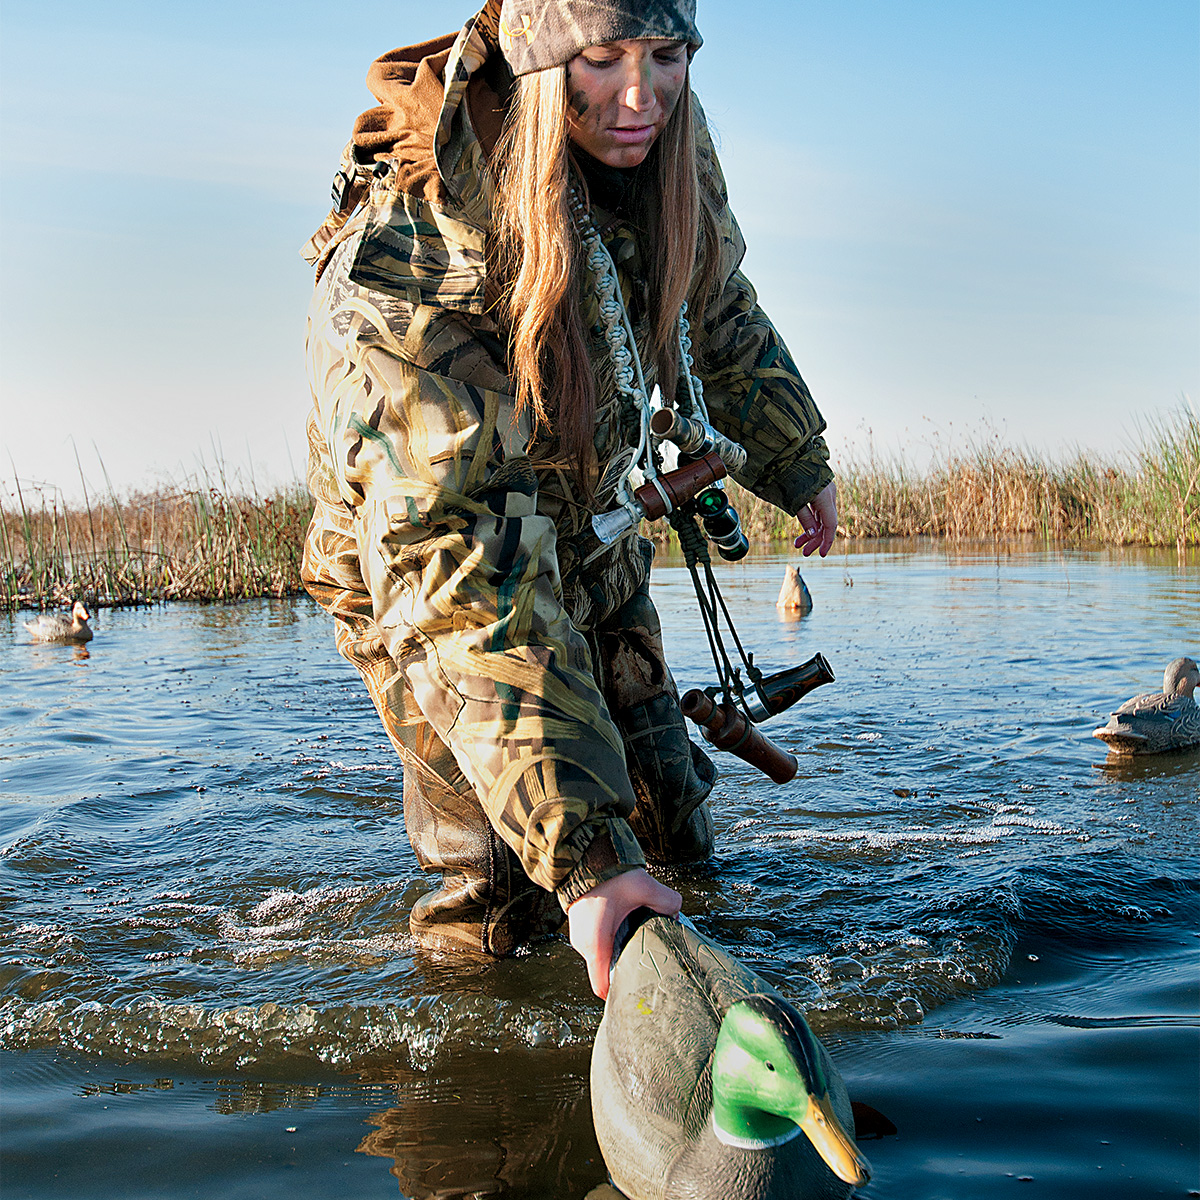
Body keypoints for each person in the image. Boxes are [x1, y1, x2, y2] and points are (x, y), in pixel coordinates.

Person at [300, 0, 838, 1000]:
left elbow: (712, 297)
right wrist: (584, 854)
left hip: (591, 524)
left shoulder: (660, 133)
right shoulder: (413, 247)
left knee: (672, 831)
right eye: (602, 58)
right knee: (509, 893)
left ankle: (699, 1021)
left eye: (668, 54)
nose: (642, 96)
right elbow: (450, 556)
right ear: (546, 59)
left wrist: (793, 454)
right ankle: (485, 1112)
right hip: (429, 575)